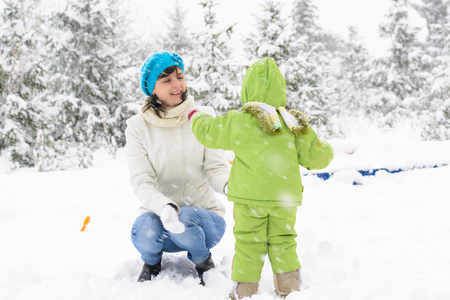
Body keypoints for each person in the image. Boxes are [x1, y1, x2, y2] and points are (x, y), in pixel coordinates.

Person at [186, 58, 334, 298]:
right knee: (284, 239)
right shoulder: (293, 123)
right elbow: (319, 157)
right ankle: (289, 285)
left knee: (248, 243)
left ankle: (244, 290)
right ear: (281, 89)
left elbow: (209, 133)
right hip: (283, 200)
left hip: (249, 198)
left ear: (247, 89)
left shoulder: (239, 120)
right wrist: (325, 146)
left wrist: (196, 116)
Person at [125, 51, 229, 285]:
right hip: (162, 224)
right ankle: (152, 262)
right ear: (152, 88)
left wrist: (228, 185)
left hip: (204, 224)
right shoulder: (137, 127)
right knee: (144, 227)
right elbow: (141, 180)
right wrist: (164, 208)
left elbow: (215, 168)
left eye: (180, 77)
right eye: (167, 80)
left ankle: (203, 260)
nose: (177, 85)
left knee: (186, 217)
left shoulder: (203, 118)